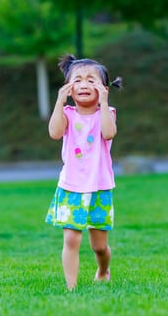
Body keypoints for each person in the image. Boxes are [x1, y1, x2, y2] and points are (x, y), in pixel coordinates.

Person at [45, 54, 122, 290]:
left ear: (103, 87)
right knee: (71, 239)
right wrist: (59, 102)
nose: (85, 84)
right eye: (78, 80)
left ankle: (103, 269)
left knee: (99, 246)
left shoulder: (106, 114)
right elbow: (55, 133)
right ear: (69, 87)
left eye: (92, 80)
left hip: (100, 186)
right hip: (71, 186)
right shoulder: (67, 114)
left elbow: (108, 133)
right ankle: (71, 288)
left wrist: (104, 103)